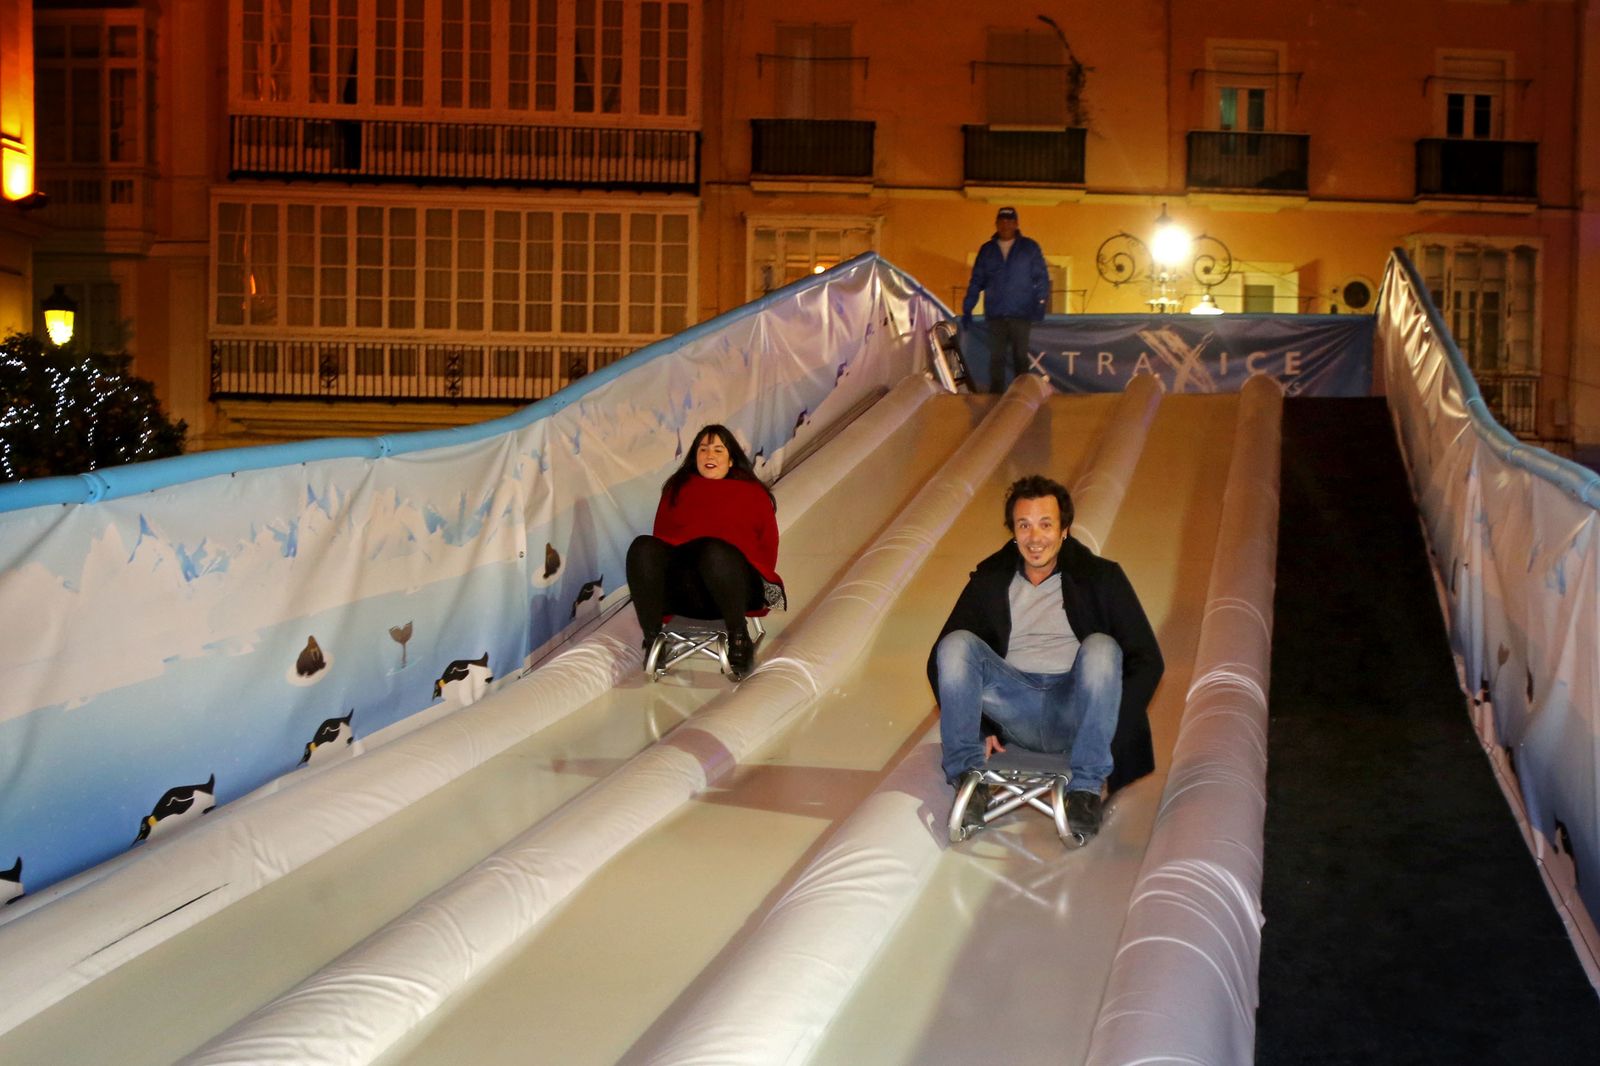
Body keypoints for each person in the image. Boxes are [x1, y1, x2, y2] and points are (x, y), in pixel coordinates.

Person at [926, 475, 1163, 842]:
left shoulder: (1099, 578)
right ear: (1013, 531)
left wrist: (1111, 726)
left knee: (1102, 647)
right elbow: (941, 658)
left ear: (1064, 529)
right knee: (956, 644)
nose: (1035, 538)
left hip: (1072, 706)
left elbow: (1146, 660)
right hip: (1015, 705)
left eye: (1046, 524)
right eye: (1025, 525)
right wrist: (982, 727)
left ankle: (1084, 790)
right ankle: (967, 781)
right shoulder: (991, 580)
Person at [627, 425, 784, 681]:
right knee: (642, 546)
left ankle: (739, 637)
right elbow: (660, 546)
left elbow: (768, 549)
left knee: (711, 550)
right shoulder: (676, 490)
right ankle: (653, 639)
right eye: (703, 449)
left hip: (733, 590)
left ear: (731, 459)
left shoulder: (752, 494)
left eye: (718, 449)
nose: (709, 455)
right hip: (686, 592)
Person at [960, 206, 1051, 395]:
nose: (1005, 225)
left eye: (1009, 221)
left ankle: (1023, 397)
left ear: (1016, 224)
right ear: (996, 224)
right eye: (1002, 221)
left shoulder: (1029, 248)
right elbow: (977, 280)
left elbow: (1041, 277)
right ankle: (996, 399)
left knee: (1020, 358)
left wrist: (1041, 302)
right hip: (996, 315)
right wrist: (968, 306)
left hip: (1021, 313)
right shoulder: (987, 251)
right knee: (996, 359)